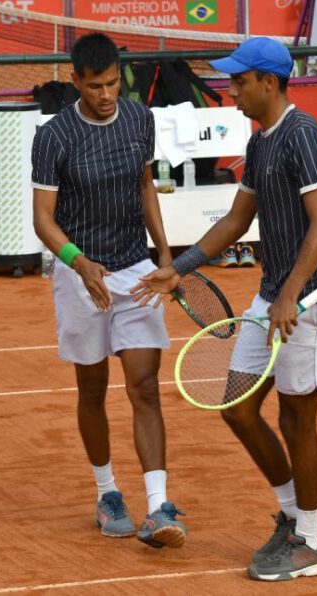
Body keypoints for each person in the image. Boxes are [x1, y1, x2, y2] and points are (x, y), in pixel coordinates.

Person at [131, 37, 317, 580]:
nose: (233, 90)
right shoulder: (261, 143)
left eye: (240, 81)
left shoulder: (304, 136)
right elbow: (234, 222)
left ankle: (309, 545)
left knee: (298, 419)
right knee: (238, 409)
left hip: (311, 300)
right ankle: (301, 516)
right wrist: (178, 267)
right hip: (273, 295)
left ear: (268, 83)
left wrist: (293, 293)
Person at [31, 33, 187, 549]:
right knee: (92, 390)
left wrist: (165, 253)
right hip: (81, 277)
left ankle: (159, 504)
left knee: (144, 387)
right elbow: (43, 220)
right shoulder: (54, 136)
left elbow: (145, 185)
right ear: (75, 81)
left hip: (134, 272)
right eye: (95, 85)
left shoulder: (140, 119)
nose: (105, 94)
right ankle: (107, 493)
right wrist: (79, 263)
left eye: (113, 83)